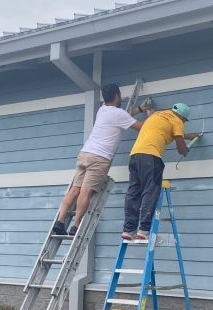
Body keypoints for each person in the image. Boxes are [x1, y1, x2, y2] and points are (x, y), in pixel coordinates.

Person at [52, 83, 150, 236]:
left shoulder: (102, 110)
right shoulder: (119, 115)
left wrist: (138, 109)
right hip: (99, 158)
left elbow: (122, 116)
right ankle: (76, 226)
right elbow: (141, 126)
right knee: (86, 192)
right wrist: (152, 116)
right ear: (117, 96)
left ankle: (60, 221)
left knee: (75, 190)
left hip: (85, 154)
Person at [122, 103, 201, 241]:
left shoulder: (157, 115)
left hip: (135, 156)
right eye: (184, 120)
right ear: (182, 117)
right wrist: (185, 150)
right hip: (150, 157)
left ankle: (129, 230)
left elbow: (167, 133)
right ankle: (144, 230)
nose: (183, 123)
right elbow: (180, 148)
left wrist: (187, 137)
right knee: (151, 191)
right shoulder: (177, 121)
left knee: (134, 191)